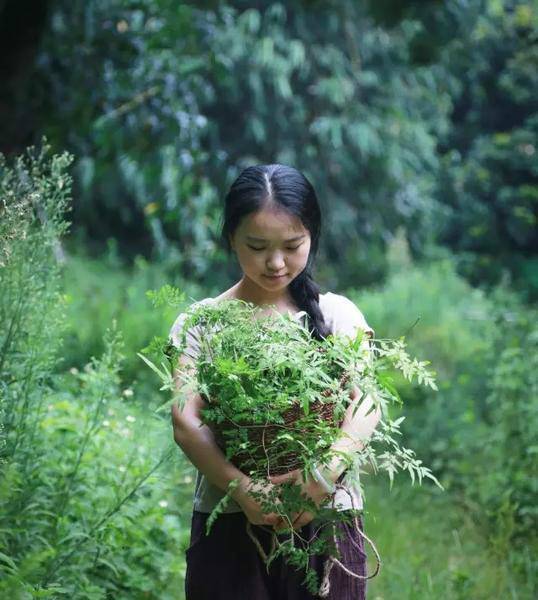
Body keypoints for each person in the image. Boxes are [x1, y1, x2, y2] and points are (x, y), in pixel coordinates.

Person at [169, 164, 381, 599]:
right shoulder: (202, 323)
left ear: (312, 237)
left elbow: (367, 405)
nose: (276, 262)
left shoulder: (339, 315)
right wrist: (244, 490)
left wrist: (319, 477)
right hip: (229, 520)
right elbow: (186, 420)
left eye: (292, 245)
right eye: (257, 245)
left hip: (327, 520)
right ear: (231, 238)